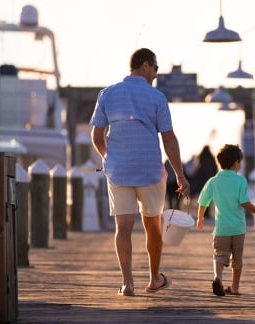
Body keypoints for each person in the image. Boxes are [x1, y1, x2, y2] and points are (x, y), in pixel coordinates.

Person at [90, 48, 190, 297]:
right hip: (150, 172)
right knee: (152, 225)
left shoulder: (107, 94)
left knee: (122, 229)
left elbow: (96, 136)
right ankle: (155, 278)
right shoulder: (157, 98)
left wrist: (109, 158)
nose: (156, 74)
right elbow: (168, 139)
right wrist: (180, 174)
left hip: (118, 171)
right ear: (145, 66)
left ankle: (127, 283)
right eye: (155, 68)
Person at [196, 144, 255, 296]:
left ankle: (218, 277)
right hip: (238, 229)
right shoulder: (240, 181)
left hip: (222, 229)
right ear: (236, 163)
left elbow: (203, 202)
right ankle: (234, 287)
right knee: (237, 260)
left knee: (219, 255)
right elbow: (244, 202)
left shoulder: (213, 181)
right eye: (240, 162)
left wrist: (200, 218)